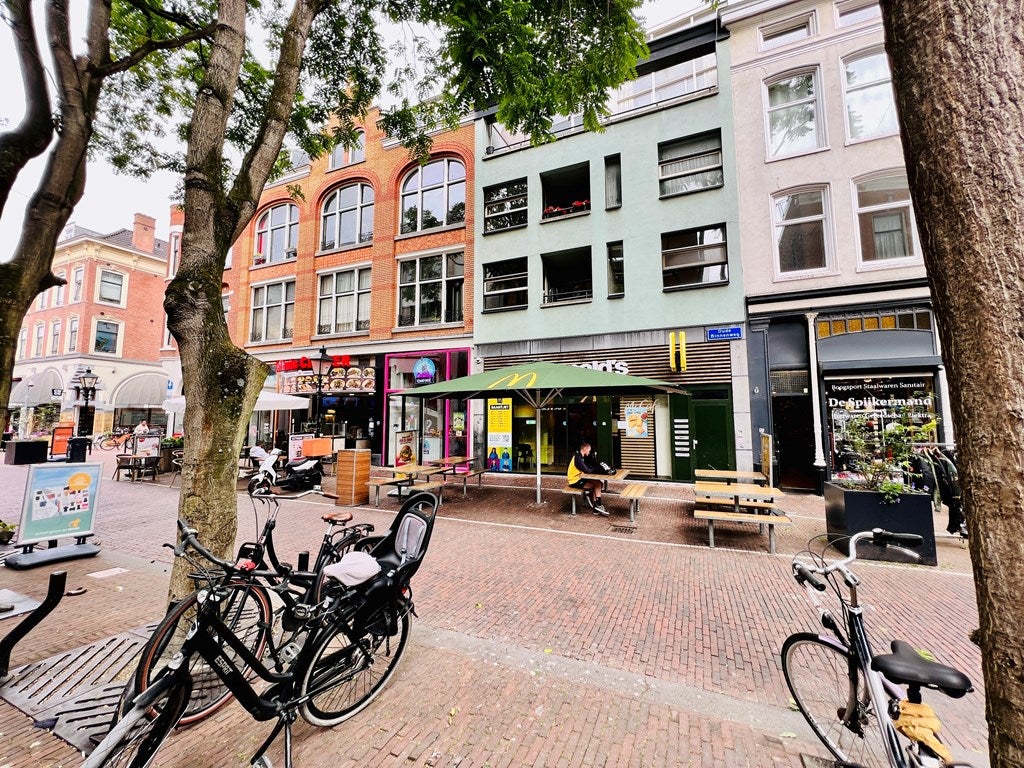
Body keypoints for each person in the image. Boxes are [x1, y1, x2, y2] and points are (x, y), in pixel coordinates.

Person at [566, 440, 607, 516]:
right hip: (574, 481)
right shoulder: (578, 458)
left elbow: (587, 467)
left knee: (599, 483)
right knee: (597, 485)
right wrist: (596, 470)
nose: (589, 452)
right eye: (589, 450)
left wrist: (595, 468)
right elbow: (586, 470)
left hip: (579, 478)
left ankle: (596, 506)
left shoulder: (580, 456)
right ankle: (597, 505)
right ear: (585, 449)